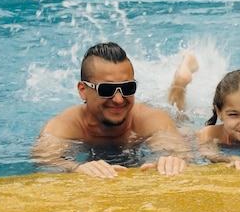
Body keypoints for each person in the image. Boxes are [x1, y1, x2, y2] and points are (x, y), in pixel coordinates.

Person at [31, 42, 190, 178]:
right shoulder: (64, 126)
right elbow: (44, 161)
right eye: (107, 90)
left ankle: (180, 83)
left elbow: (181, 153)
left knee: (180, 119)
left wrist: (171, 160)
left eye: (128, 88)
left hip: (158, 115)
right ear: (82, 90)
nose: (119, 99)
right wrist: (75, 168)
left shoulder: (149, 120)